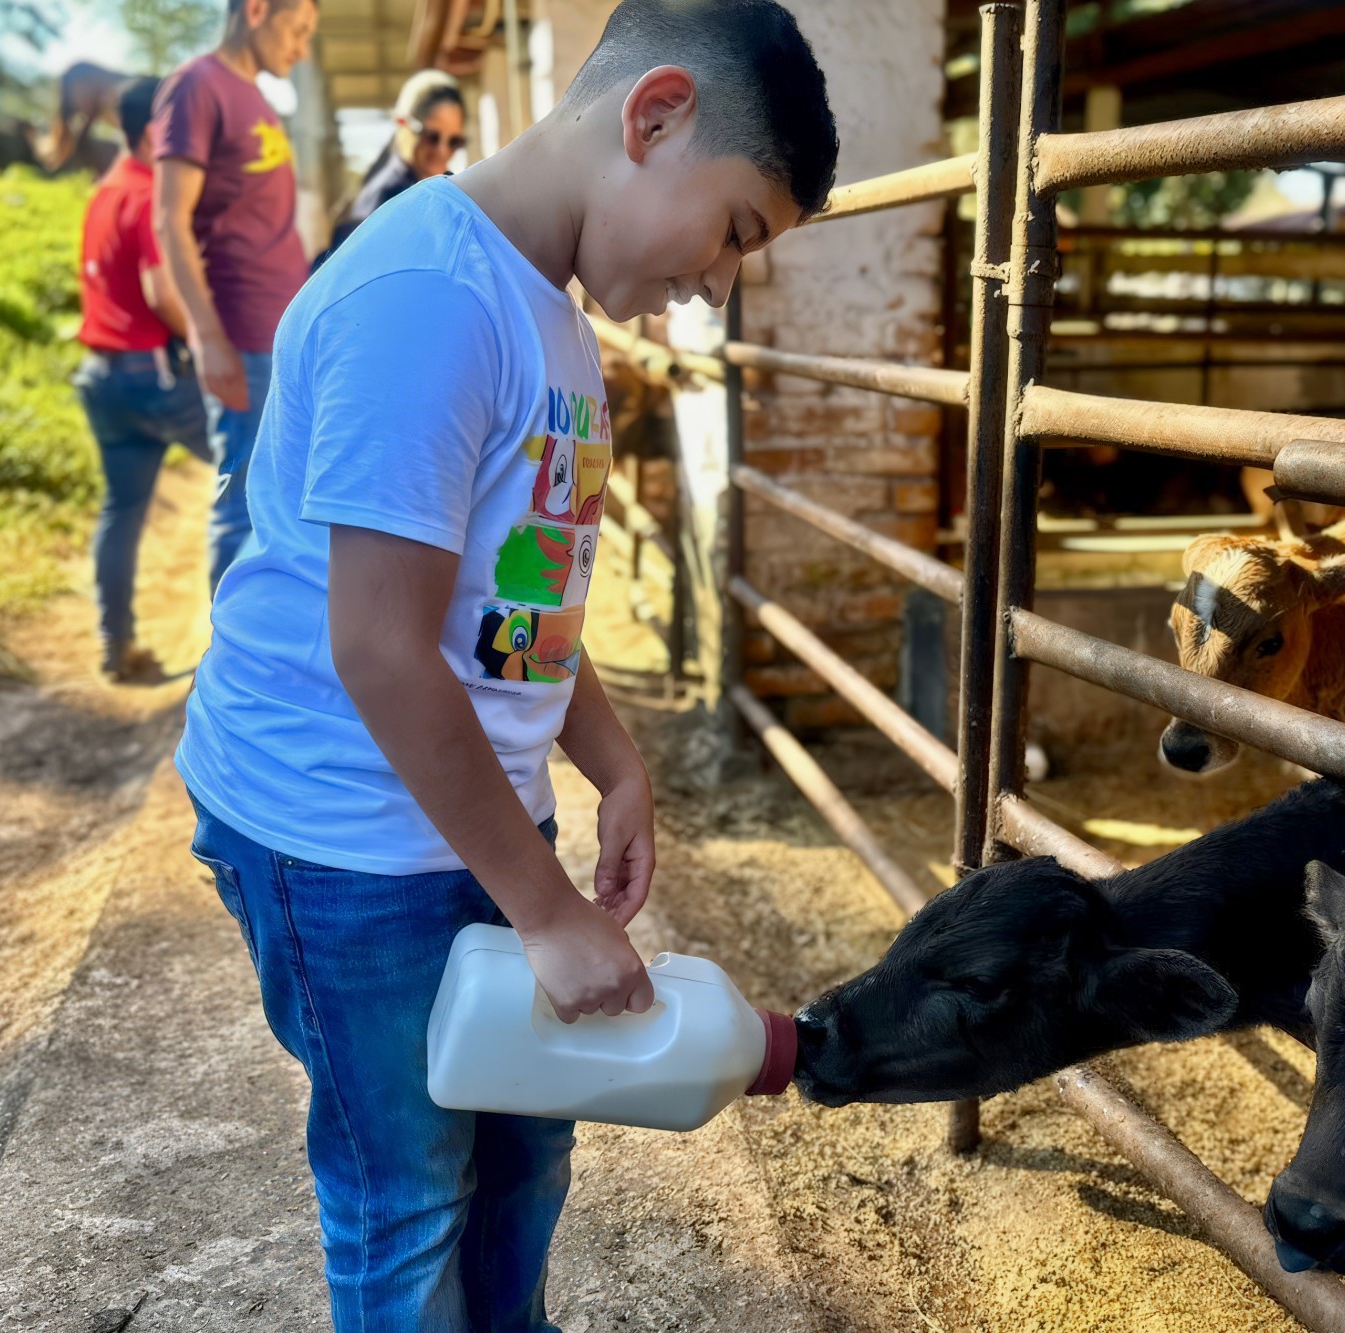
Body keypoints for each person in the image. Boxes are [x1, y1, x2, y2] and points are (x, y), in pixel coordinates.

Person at [173, 1, 837, 1327]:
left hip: (464, 814)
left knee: (526, 1150)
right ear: (655, 118)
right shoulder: (431, 298)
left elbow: (513, 601)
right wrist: (543, 906)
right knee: (408, 1194)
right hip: (342, 835)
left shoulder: (557, 318)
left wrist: (610, 758)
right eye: (734, 232)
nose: (715, 282)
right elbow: (376, 643)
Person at [151, 0, 316, 593]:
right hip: (240, 335)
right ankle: (230, 657)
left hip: (278, 333)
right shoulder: (197, 85)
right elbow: (169, 219)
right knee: (239, 499)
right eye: (296, 30)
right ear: (256, 10)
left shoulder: (259, 99)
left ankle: (265, 639)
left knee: (278, 502)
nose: (300, 48)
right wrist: (207, 336)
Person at [72, 76, 213, 684]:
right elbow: (162, 293)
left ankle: (115, 645)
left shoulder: (104, 190)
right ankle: (261, 652)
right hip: (154, 376)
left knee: (121, 513)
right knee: (264, 474)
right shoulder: (153, 195)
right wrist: (213, 344)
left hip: (101, 377)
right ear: (156, 131)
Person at [315, 68, 467, 266]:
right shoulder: (390, 198)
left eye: (455, 141)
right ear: (403, 123)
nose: (442, 151)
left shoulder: (434, 189)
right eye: (432, 137)